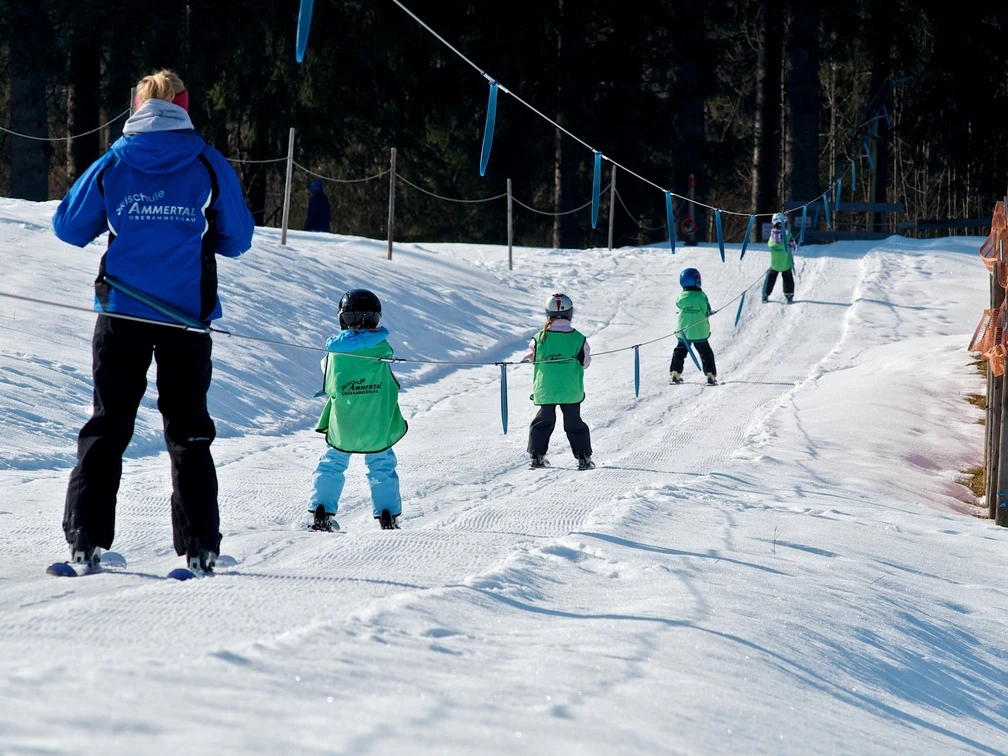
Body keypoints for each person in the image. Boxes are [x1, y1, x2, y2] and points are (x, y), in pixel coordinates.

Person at [51, 69, 255, 574]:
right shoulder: (206, 162)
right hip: (186, 320)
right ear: (184, 107)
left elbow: (69, 228)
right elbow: (238, 238)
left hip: (121, 315)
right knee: (188, 432)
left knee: (108, 425)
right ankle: (200, 545)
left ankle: (85, 540)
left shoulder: (115, 160)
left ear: (137, 108)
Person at [311, 289, 407, 531]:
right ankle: (388, 514)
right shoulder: (383, 350)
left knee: (333, 462)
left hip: (345, 422)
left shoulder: (335, 353)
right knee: (382, 463)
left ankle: (322, 511)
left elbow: (331, 386)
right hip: (377, 424)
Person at [525, 293, 594, 470]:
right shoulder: (579, 338)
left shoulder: (539, 337)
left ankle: (536, 455)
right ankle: (583, 457)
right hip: (569, 389)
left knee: (543, 421)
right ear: (570, 313)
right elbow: (585, 363)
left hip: (546, 389)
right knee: (574, 423)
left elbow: (534, 358)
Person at [670, 268, 717, 386]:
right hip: (699, 331)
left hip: (684, 331)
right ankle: (710, 375)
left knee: (679, 352)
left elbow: (678, 305)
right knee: (705, 353)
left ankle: (675, 373)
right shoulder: (701, 296)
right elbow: (707, 310)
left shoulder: (681, 296)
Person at [763, 211, 797, 303]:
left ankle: (766, 293)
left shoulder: (771, 236)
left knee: (771, 278)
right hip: (786, 263)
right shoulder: (788, 236)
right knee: (788, 278)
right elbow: (794, 247)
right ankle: (789, 294)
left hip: (775, 264)